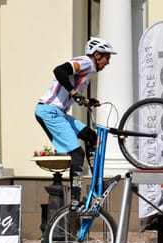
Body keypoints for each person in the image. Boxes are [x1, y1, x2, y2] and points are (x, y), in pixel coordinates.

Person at [35, 37, 116, 215]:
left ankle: (96, 182)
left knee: (91, 136)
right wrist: (74, 92)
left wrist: (85, 100)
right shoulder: (85, 62)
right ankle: (74, 202)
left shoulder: (88, 71)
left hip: (59, 113)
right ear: (96, 55)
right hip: (49, 111)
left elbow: (69, 92)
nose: (108, 62)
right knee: (77, 153)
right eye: (107, 58)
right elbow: (59, 70)